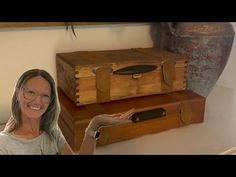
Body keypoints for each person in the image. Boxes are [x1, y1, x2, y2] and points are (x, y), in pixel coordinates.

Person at [0, 69, 135, 155]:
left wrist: (95, 124)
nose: (37, 101)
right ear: (18, 93)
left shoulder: (52, 132)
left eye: (45, 96)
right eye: (30, 92)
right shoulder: (4, 144)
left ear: (51, 101)